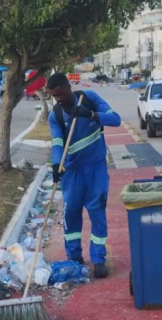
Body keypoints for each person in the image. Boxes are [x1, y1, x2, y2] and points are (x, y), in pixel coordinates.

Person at [46, 73, 121, 279]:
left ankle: (98, 259)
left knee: (97, 213)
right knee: (71, 214)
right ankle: (74, 257)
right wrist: (55, 163)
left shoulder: (89, 99)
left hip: (96, 169)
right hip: (72, 172)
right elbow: (57, 142)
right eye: (54, 96)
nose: (58, 99)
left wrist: (91, 115)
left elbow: (116, 119)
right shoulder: (56, 115)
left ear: (69, 87)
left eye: (60, 94)